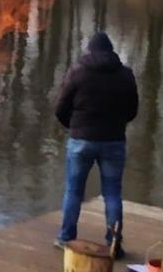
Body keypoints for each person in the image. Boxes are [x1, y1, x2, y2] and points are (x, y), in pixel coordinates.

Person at [53, 31, 139, 259]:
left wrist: (74, 127)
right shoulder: (126, 75)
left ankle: (66, 238)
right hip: (114, 141)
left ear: (89, 50)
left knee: (74, 191)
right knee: (112, 193)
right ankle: (114, 243)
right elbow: (133, 111)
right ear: (111, 51)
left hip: (81, 141)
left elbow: (60, 108)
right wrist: (117, 125)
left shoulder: (77, 72)